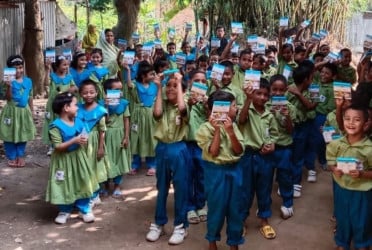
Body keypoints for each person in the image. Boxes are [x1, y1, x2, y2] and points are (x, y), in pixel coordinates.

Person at [196, 90, 245, 250]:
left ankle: (234, 243)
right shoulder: (204, 129)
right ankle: (212, 241)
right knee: (216, 208)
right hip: (215, 172)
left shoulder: (234, 126)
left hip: (235, 170)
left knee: (235, 209)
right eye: (233, 106)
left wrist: (230, 132)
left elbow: (238, 151)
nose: (236, 108)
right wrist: (217, 129)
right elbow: (214, 152)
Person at [146, 72, 190, 245]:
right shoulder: (161, 103)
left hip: (179, 148)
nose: (170, 88)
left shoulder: (185, 105)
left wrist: (179, 83)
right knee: (162, 187)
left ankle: (181, 225)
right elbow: (157, 114)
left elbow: (182, 110)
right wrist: (158, 88)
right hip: (162, 148)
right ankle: (159, 223)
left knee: (181, 188)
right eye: (168, 85)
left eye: (175, 86)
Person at [45, 92, 98, 224]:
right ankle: (64, 210)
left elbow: (84, 133)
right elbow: (57, 146)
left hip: (78, 158)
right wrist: (74, 140)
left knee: (83, 180)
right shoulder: (55, 126)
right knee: (63, 182)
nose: (78, 107)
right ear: (66, 108)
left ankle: (84, 209)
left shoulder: (78, 121)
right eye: (75, 104)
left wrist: (84, 138)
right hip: (62, 161)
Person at [326, 105, 372, 250]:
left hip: (361, 192)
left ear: (365, 124)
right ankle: (342, 243)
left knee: (361, 221)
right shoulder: (336, 144)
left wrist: (362, 174)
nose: (351, 123)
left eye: (357, 120)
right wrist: (334, 169)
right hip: (341, 189)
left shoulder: (369, 148)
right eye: (347, 119)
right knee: (342, 218)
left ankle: (362, 244)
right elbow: (330, 163)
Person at [238, 78, 279, 240]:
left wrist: (272, 145)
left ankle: (264, 220)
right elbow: (241, 121)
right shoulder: (246, 109)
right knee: (245, 191)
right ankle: (241, 220)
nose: (262, 97)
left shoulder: (269, 114)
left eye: (265, 95)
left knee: (264, 189)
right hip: (247, 156)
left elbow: (274, 134)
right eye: (258, 93)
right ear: (252, 94)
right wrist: (248, 99)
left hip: (265, 158)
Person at [286, 60, 317, 197]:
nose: (312, 80)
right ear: (305, 79)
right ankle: (285, 182)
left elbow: (311, 106)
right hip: (288, 127)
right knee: (288, 155)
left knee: (298, 155)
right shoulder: (288, 89)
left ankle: (296, 183)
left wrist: (298, 94)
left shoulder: (312, 90)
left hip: (302, 126)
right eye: (311, 78)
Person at [267, 74, 297, 219]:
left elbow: (291, 130)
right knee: (265, 177)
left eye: (281, 90)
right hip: (267, 148)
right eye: (274, 90)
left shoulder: (290, 107)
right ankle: (264, 204)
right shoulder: (265, 104)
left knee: (285, 176)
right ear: (270, 89)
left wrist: (287, 117)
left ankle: (287, 203)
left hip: (284, 148)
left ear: (285, 90)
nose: (278, 93)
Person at [0, 55, 36, 167]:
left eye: (21, 67)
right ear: (9, 70)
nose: (19, 70)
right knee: (8, 134)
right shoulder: (5, 82)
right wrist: (9, 86)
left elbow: (30, 97)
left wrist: (32, 111)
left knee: (23, 133)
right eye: (15, 68)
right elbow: (7, 98)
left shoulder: (28, 81)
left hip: (24, 112)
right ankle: (12, 156)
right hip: (10, 112)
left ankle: (20, 155)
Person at [77, 80, 108, 205]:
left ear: (96, 93)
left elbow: (102, 131)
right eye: (85, 93)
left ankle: (95, 195)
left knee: (94, 168)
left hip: (94, 143)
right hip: (80, 142)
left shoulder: (100, 110)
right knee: (83, 168)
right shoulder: (77, 108)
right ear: (80, 94)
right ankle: (84, 194)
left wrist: (101, 148)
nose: (88, 95)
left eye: (91, 92)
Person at [100, 78, 131, 198]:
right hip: (106, 135)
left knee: (119, 160)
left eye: (120, 89)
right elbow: (104, 121)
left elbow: (126, 120)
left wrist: (126, 136)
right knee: (106, 160)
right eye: (115, 90)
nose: (119, 92)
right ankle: (105, 185)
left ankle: (117, 186)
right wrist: (106, 107)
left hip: (119, 135)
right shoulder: (101, 104)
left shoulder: (124, 103)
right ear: (107, 91)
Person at [126, 61, 158, 176]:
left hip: (150, 115)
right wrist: (128, 70)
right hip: (138, 115)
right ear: (143, 76)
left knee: (151, 137)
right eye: (151, 74)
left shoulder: (154, 86)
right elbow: (129, 85)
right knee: (136, 138)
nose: (153, 76)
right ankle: (135, 164)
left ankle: (152, 164)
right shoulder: (136, 84)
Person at [185, 70, 209, 224]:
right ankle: (188, 207)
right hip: (186, 142)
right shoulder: (184, 97)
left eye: (203, 81)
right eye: (196, 80)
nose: (200, 84)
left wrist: (207, 104)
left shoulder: (208, 99)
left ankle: (201, 204)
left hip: (202, 143)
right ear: (190, 82)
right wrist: (189, 103)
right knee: (187, 176)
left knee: (202, 175)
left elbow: (212, 119)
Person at [306, 62, 337, 177]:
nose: (323, 74)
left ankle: (323, 160)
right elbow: (312, 68)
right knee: (311, 140)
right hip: (311, 114)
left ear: (333, 76)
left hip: (322, 116)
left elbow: (330, 108)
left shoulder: (332, 88)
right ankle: (310, 164)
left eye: (327, 73)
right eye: (322, 72)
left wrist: (326, 122)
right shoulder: (316, 82)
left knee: (321, 140)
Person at [42, 55, 77, 155]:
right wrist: (47, 69)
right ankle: (52, 145)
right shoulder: (52, 76)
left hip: (64, 105)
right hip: (53, 105)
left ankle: (62, 142)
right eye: (64, 65)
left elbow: (75, 87)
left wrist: (70, 90)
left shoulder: (69, 77)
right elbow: (45, 83)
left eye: (67, 65)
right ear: (57, 66)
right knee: (52, 122)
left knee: (63, 121)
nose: (66, 67)